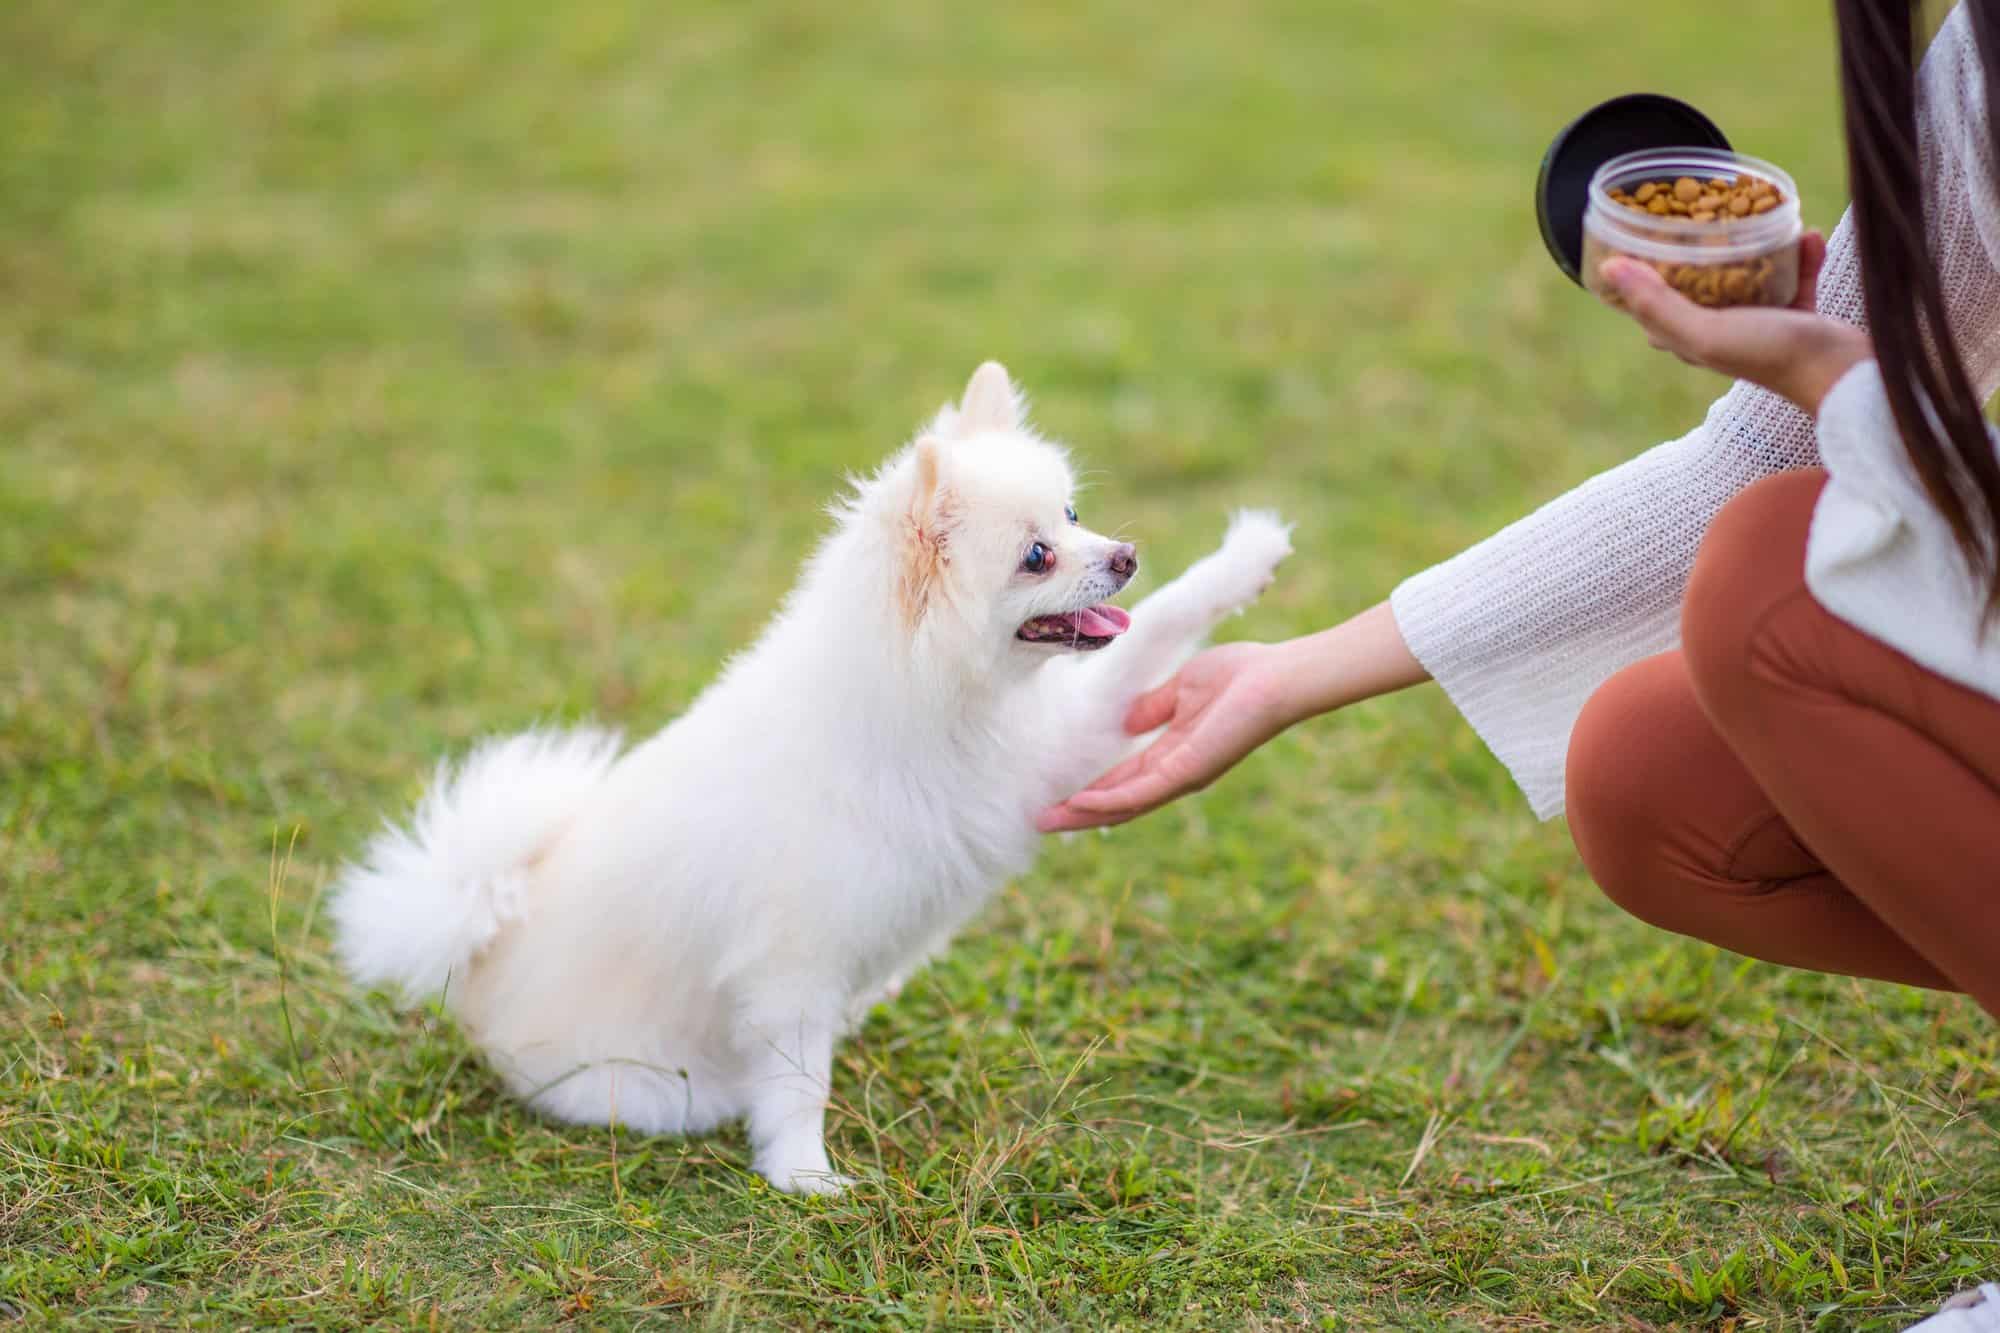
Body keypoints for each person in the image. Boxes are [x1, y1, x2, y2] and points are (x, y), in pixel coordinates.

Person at [1041, 4, 1999, 1327]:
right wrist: (1288, 675)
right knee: (1650, 780)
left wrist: (1846, 386)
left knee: (1770, 586)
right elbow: (1755, 462)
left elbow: (1881, 479)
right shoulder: (1980, 76)